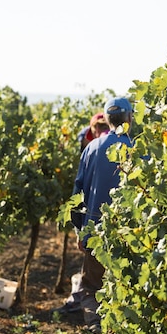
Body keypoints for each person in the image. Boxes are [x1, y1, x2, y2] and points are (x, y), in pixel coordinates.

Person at [72, 97, 134, 333]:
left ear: (107, 120)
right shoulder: (138, 149)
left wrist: (80, 230)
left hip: (95, 235)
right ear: (128, 118)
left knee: (91, 288)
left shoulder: (92, 148)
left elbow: (78, 193)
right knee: (127, 290)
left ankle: (97, 332)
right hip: (130, 238)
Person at [54, 112, 111, 316]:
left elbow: (80, 190)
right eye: (96, 130)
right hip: (98, 219)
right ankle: (85, 304)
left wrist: (81, 229)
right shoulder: (86, 141)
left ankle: (94, 320)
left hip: (96, 220)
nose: (99, 133)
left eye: (103, 129)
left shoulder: (96, 147)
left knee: (93, 277)